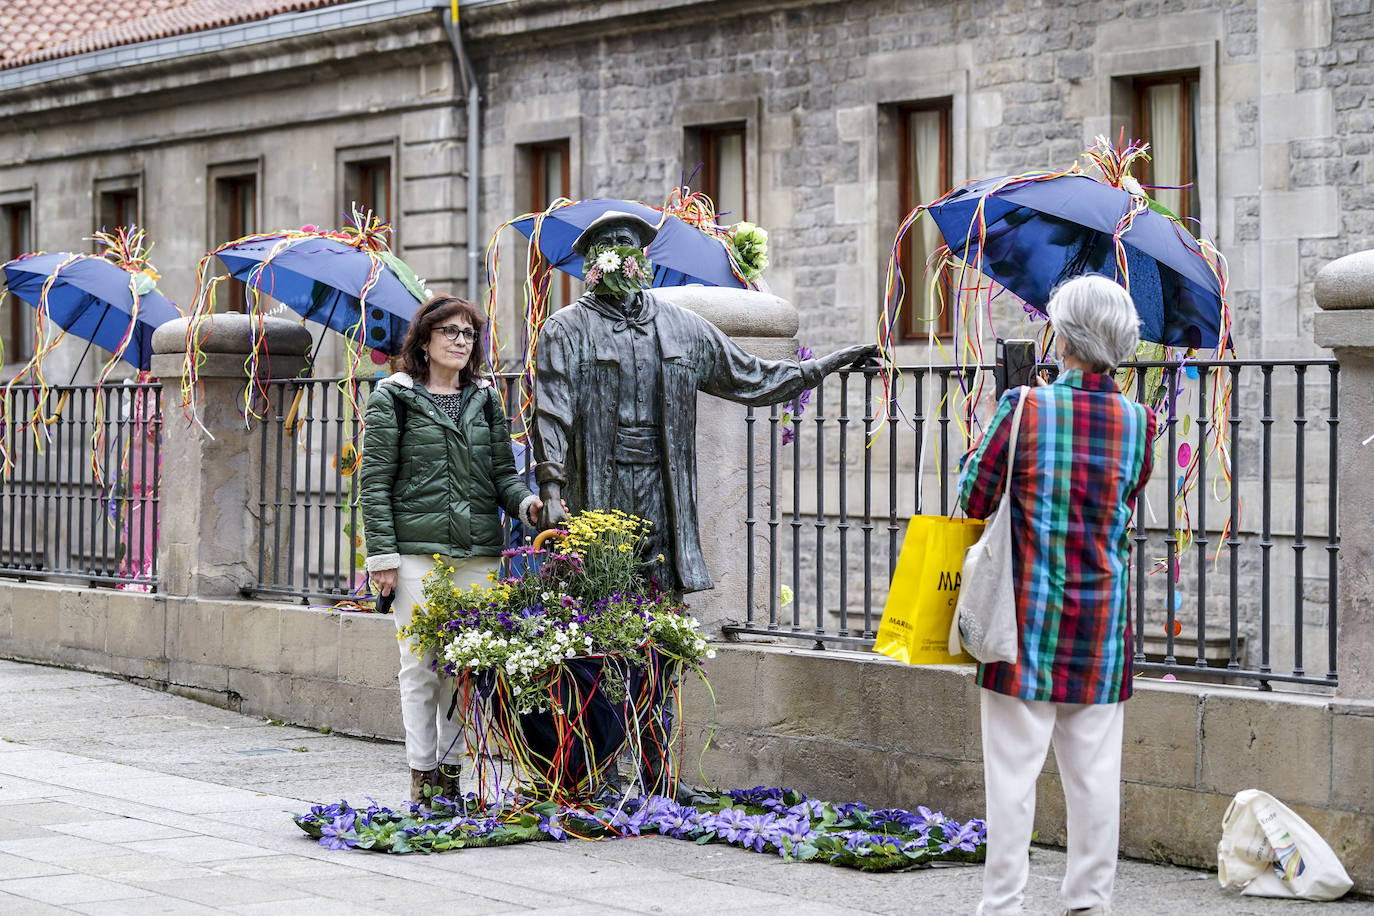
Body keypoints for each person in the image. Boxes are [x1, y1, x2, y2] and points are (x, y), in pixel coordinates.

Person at [533, 210, 876, 594]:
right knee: (598, 583)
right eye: (606, 246)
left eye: (625, 244)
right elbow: (551, 411)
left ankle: (660, 654)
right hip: (597, 478)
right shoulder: (565, 329)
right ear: (593, 263)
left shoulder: (682, 325)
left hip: (661, 482)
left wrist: (827, 365)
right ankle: (606, 656)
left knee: (659, 580)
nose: (617, 254)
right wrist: (550, 490)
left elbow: (752, 376)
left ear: (641, 257)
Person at [957, 275, 1157, 916]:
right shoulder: (1138, 422)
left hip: (1024, 619)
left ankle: (1004, 904)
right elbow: (1125, 502)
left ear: (1062, 336)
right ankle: (1089, 903)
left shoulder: (1025, 408)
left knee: (1012, 777)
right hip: (1101, 626)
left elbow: (973, 499)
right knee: (1096, 778)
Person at [360, 295, 541, 804]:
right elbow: (374, 484)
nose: (462, 341)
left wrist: (528, 505)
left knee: (466, 668)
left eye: (469, 333)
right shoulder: (392, 398)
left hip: (478, 553)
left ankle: (451, 776)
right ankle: (421, 776)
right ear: (424, 340)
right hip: (416, 554)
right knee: (420, 665)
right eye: (451, 332)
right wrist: (383, 560)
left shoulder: (485, 399)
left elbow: (503, 475)